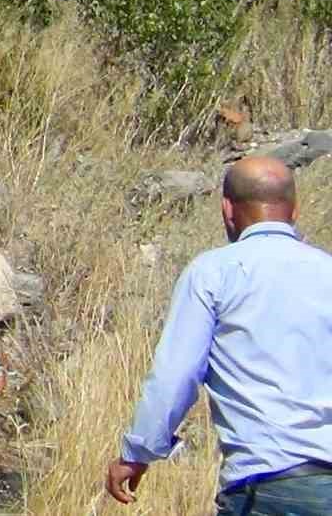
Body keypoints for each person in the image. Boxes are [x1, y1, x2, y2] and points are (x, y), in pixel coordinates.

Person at [105, 155, 332, 515]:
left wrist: (138, 453)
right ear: (295, 210)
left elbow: (175, 376)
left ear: (227, 209)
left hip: (263, 484)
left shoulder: (214, 273)